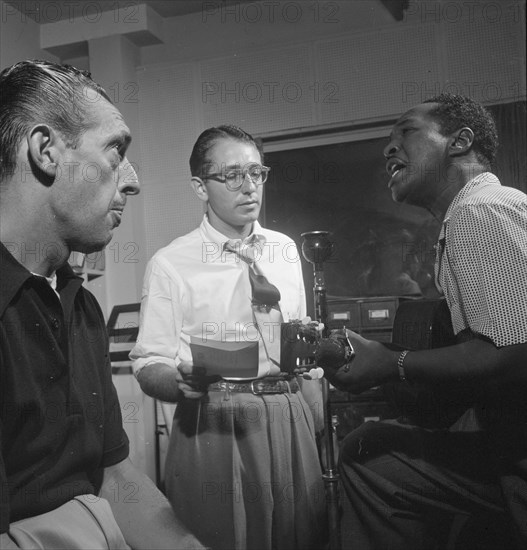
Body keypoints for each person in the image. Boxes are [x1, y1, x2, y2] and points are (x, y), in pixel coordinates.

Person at [0, 60, 205, 550]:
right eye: (116, 150)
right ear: (46, 151)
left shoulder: (81, 307)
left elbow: (113, 477)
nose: (132, 181)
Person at [320, 93, 527, 549]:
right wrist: (387, 358)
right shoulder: (473, 214)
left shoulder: (480, 211)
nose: (388, 149)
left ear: (460, 142)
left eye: (406, 132)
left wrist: (392, 364)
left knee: (368, 454)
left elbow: (514, 355)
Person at [130, 125, 327, 550]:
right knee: (225, 536)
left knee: (303, 535)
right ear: (200, 187)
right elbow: (148, 363)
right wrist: (179, 382)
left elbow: (297, 343)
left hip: (289, 410)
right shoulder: (171, 263)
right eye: (232, 175)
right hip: (215, 420)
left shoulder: (285, 250)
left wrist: (313, 419)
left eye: (257, 173)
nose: (249, 187)